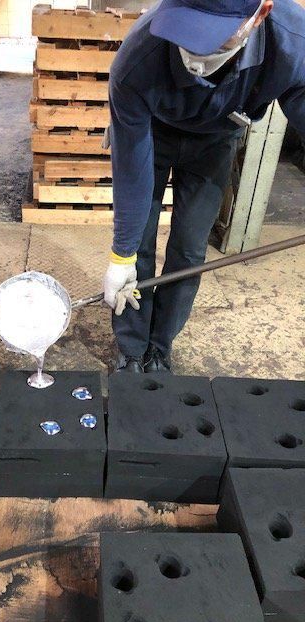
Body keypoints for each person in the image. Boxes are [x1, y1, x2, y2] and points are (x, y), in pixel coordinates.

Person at [102, 0, 305, 373]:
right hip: (152, 134)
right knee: (138, 244)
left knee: (189, 248)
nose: (193, 49)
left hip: (216, 140)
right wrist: (121, 255)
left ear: (259, 14)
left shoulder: (292, 40)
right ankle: (131, 348)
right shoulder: (137, 59)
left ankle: (160, 348)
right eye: (183, 30)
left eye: (211, 36)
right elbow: (131, 167)